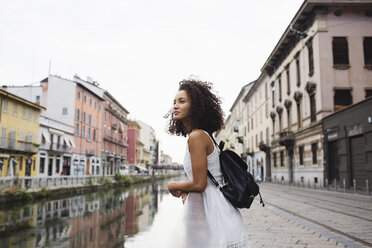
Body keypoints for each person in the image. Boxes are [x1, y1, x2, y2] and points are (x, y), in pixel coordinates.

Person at [166, 79, 250, 248]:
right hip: (218, 207)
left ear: (195, 106)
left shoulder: (196, 137)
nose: (175, 106)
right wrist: (184, 190)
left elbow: (199, 184)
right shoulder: (203, 134)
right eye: (174, 102)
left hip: (213, 211)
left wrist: (172, 184)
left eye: (182, 101)